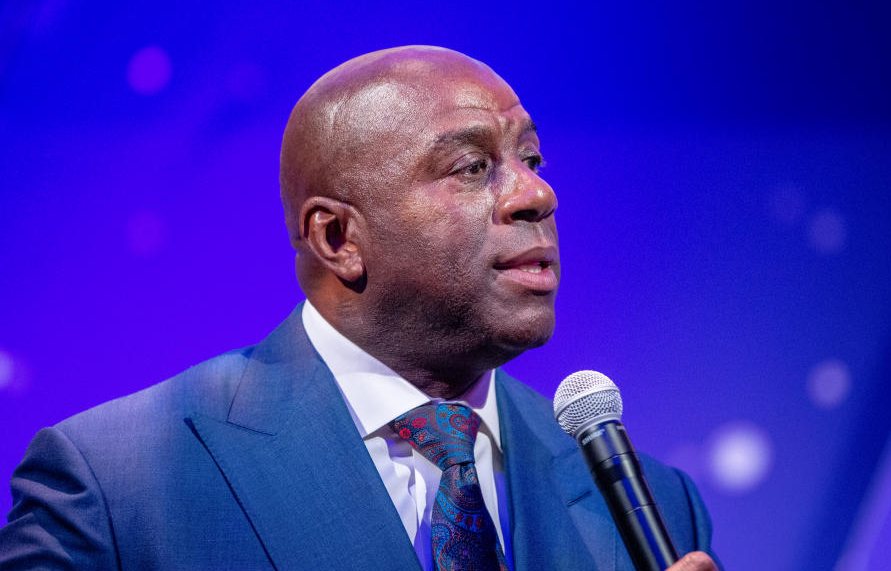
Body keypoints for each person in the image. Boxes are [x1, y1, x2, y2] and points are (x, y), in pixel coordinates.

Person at [0, 46, 722, 570]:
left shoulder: (653, 507)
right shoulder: (118, 488)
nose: (537, 195)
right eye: (473, 168)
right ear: (338, 237)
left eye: (530, 159)